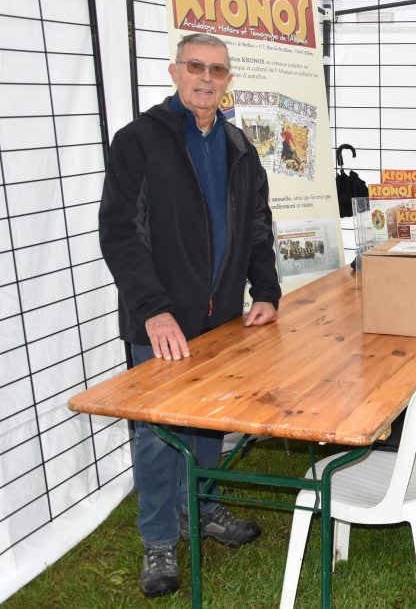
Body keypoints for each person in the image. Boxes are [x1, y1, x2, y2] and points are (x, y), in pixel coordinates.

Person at [98, 33, 282, 598]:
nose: (207, 78)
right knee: (156, 436)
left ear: (229, 81)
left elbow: (257, 225)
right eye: (196, 67)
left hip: (222, 319)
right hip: (161, 324)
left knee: (210, 422)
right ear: (175, 73)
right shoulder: (138, 140)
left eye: (218, 70)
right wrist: (153, 311)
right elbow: (119, 233)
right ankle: (158, 540)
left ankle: (200, 509)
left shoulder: (238, 146)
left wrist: (267, 291)